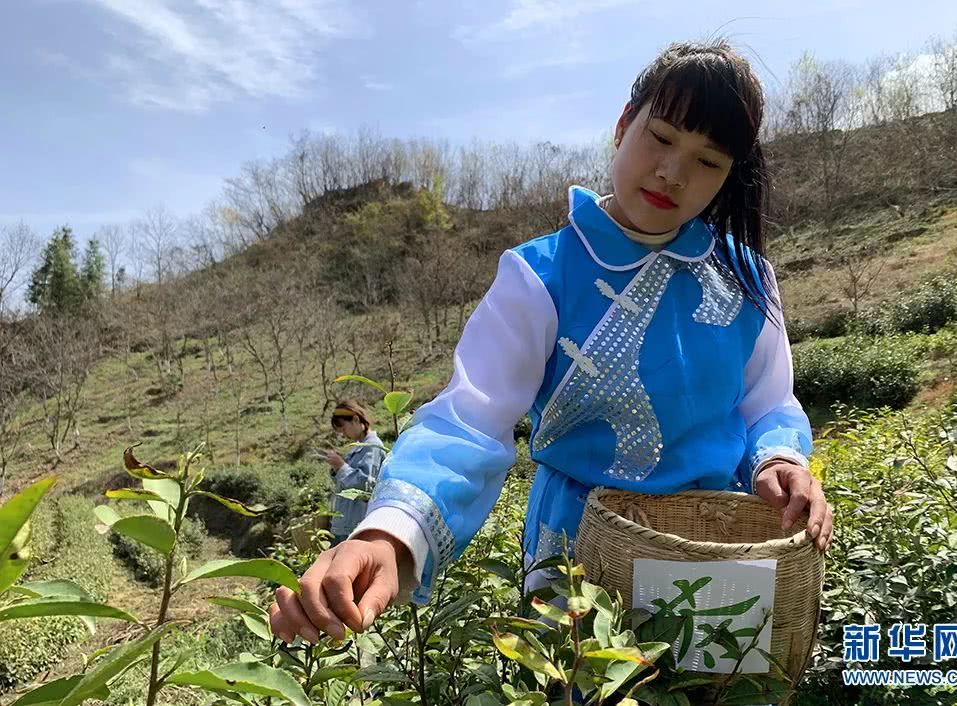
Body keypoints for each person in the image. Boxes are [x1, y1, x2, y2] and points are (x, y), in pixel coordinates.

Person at [269, 39, 835, 649]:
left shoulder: (745, 278)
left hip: (716, 545)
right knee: (586, 684)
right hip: (578, 557)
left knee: (715, 683)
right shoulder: (540, 275)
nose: (673, 173)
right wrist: (387, 534)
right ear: (624, 124)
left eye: (708, 161)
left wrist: (779, 461)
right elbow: (471, 420)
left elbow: (768, 402)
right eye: (662, 137)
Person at [325, 400, 387, 544]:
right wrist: (337, 468)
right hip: (345, 523)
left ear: (356, 419)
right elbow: (346, 483)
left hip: (355, 525)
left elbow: (366, 484)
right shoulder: (359, 447)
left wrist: (341, 466)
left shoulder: (373, 446)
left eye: (344, 428)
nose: (343, 434)